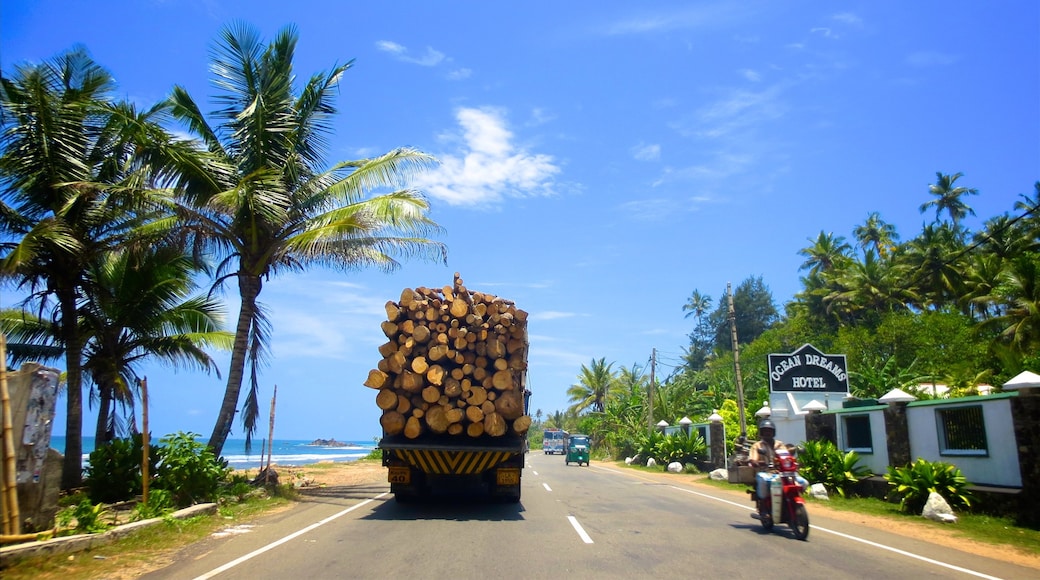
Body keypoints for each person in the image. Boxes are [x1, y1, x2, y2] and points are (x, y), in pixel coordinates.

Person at [748, 419, 785, 502]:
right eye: (765, 431)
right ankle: (764, 503)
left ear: (773, 432)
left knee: (801, 481)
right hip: (764, 472)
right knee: (763, 480)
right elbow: (753, 460)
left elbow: (786, 456)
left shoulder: (780, 444)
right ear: (761, 433)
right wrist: (757, 463)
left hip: (780, 473)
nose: (768, 433)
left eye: (770, 431)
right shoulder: (757, 446)